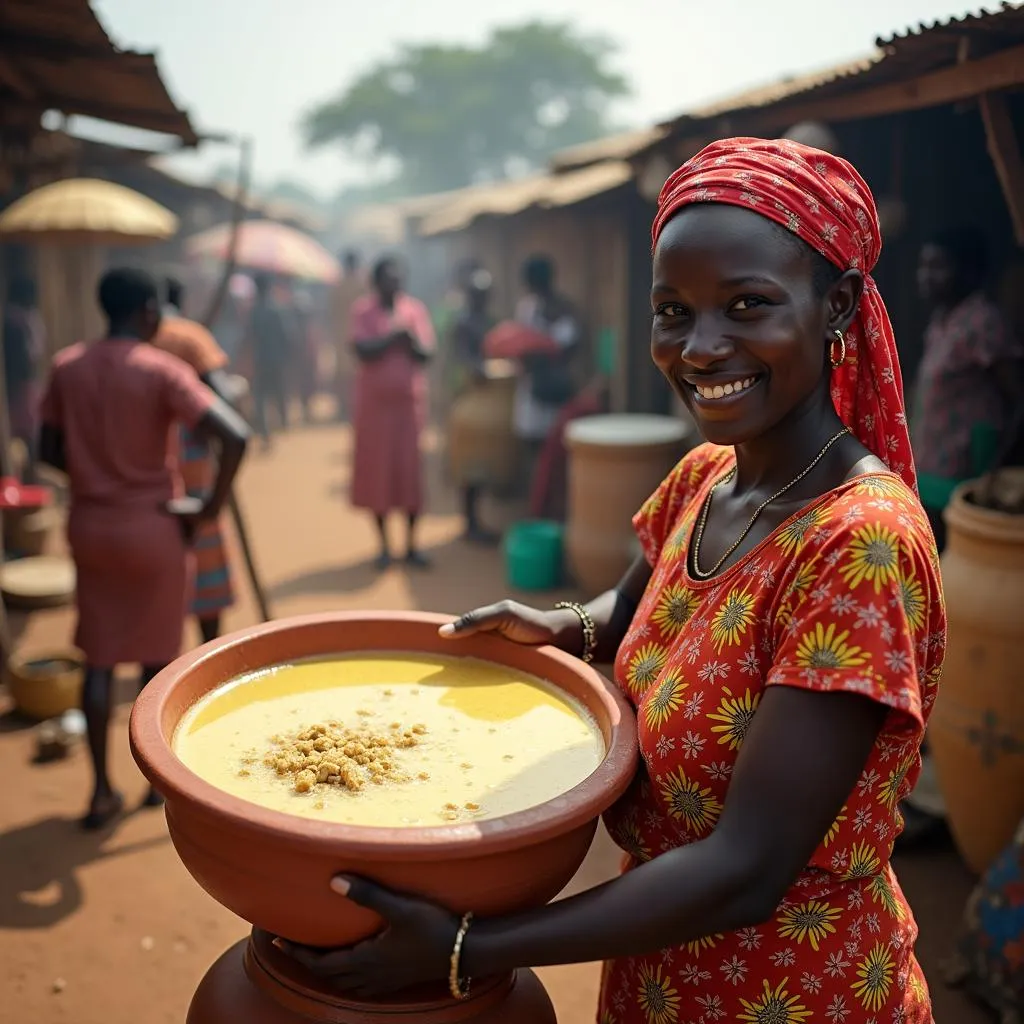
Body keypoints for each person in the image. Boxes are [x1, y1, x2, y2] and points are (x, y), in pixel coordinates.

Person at [279, 139, 945, 1022]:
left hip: (792, 987)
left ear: (837, 306)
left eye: (748, 306)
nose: (702, 348)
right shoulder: (710, 479)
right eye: (674, 311)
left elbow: (747, 869)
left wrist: (468, 951)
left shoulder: (857, 548)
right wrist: (559, 628)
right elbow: (627, 612)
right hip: (655, 969)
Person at [38, 268, 249, 830]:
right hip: (154, 527)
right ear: (150, 314)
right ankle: (159, 786)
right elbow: (235, 433)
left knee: (100, 658)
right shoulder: (162, 369)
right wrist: (207, 506)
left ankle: (101, 791)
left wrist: (92, 477)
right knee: (159, 663)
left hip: (92, 524)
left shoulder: (67, 366)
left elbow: (48, 447)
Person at [914, 225, 1024, 551]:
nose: (926, 276)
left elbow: (1018, 398)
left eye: (939, 266)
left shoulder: (983, 321)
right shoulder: (942, 319)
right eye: (924, 266)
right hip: (932, 463)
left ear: (969, 271)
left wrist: (994, 469)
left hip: (966, 470)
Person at [154, 278, 247, 644]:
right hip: (191, 458)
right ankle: (206, 650)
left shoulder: (133, 341)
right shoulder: (190, 338)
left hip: (148, 461)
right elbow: (221, 399)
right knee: (204, 549)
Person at [349, 256, 435, 569]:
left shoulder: (415, 310)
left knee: (410, 474)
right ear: (377, 282)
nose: (394, 284)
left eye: (398, 278)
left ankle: (412, 545)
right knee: (378, 474)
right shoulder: (363, 311)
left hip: (408, 408)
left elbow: (427, 354)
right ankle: (384, 546)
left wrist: (408, 339)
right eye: (388, 278)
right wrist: (391, 339)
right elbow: (361, 350)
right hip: (374, 410)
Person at [512, 256, 581, 490]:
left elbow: (569, 347)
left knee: (555, 446)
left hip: (555, 389)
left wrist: (541, 352)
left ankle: (550, 501)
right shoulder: (527, 308)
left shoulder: (564, 309)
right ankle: (538, 498)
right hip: (532, 388)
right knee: (533, 444)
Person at [448, 267, 500, 543]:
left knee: (482, 461)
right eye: (479, 293)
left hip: (484, 399)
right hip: (469, 399)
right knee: (470, 463)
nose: (483, 298)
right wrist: (477, 368)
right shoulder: (464, 322)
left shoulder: (486, 319)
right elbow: (461, 358)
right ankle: (470, 522)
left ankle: (475, 520)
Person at [3, 276, 46, 481]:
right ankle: (24, 478)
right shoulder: (13, 321)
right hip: (18, 385)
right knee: (22, 434)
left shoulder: (28, 318)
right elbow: (19, 359)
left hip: (26, 384)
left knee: (27, 434)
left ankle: (28, 476)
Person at [248, 273, 292, 447]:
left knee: (261, 396)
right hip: (276, 358)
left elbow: (249, 336)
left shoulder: (254, 311)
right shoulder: (276, 309)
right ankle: (283, 422)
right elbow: (287, 334)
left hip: (261, 358)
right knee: (279, 391)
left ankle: (266, 431)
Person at [331, 250, 366, 422]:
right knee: (354, 374)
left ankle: (346, 409)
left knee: (345, 375)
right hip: (358, 335)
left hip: (343, 335)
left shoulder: (339, 285)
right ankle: (353, 408)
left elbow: (330, 311)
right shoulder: (363, 285)